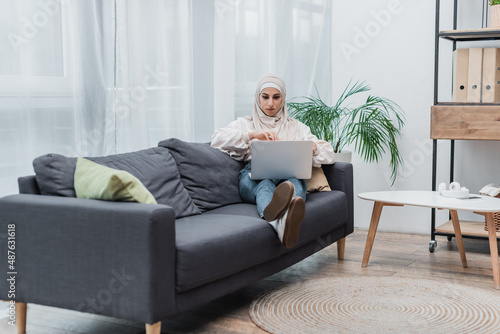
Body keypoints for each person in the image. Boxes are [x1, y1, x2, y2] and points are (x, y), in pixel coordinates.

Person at [211, 73, 334, 248]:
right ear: (257, 98)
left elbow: (329, 152)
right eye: (265, 97)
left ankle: (278, 222)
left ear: (283, 99)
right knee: (265, 184)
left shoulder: (295, 126)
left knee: (295, 184)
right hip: (253, 175)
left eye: (276, 97)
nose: (270, 103)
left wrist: (314, 147)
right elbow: (216, 138)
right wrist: (253, 135)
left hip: (287, 176)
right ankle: (282, 224)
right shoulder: (246, 123)